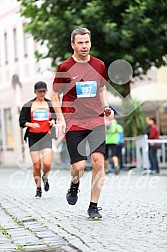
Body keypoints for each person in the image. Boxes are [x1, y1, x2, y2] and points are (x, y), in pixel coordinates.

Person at [51, 27, 114, 220]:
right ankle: (74, 184)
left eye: (87, 42)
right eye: (80, 42)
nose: (84, 46)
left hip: (95, 119)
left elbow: (102, 89)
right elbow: (55, 94)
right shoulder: (65, 67)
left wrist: (106, 107)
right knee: (78, 166)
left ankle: (93, 206)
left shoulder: (99, 64)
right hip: (74, 121)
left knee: (98, 163)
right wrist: (61, 118)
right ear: (73, 44)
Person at [19, 81, 56, 198]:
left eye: (43, 91)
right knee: (37, 166)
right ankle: (38, 188)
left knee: (47, 163)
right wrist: (30, 124)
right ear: (35, 92)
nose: (42, 93)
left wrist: (54, 121)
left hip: (46, 136)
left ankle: (45, 177)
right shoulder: (28, 105)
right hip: (33, 137)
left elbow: (56, 117)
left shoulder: (50, 104)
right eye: (39, 91)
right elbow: (22, 122)